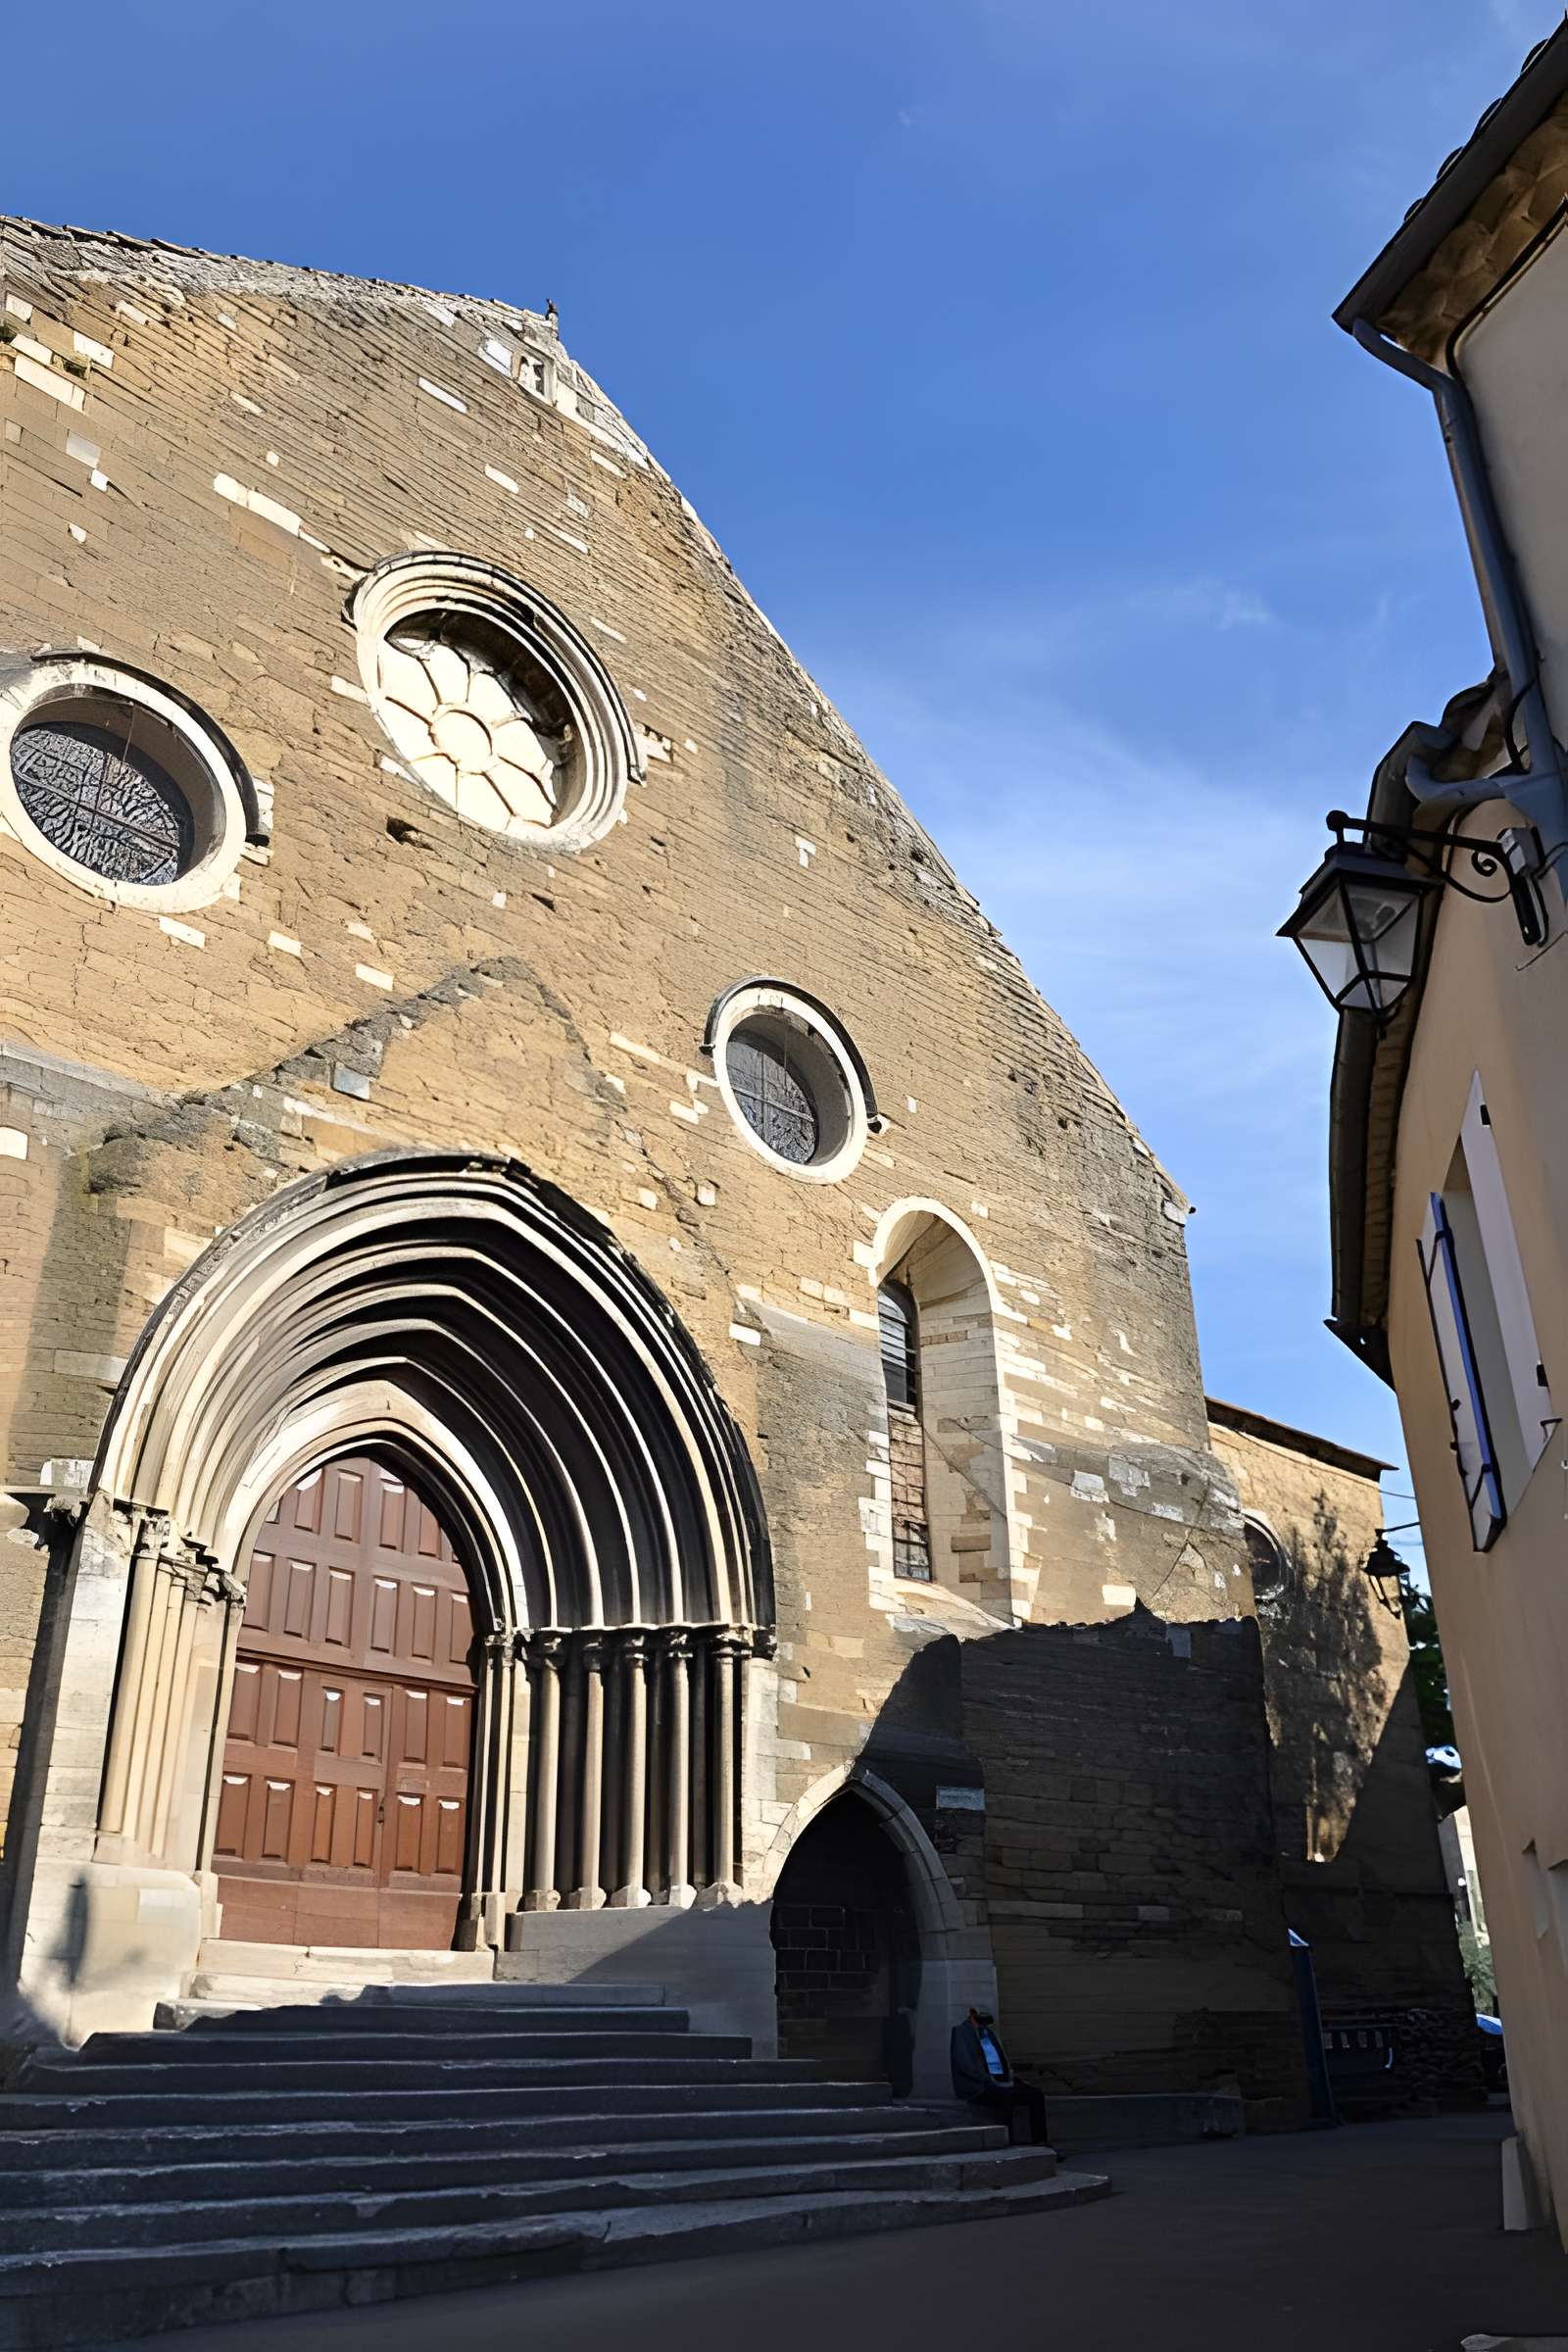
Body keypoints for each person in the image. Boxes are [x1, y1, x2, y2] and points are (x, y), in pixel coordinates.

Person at [950, 2006, 1050, 2144]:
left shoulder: (988, 2032)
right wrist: (989, 2079)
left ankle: (1040, 2141)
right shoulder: (962, 2032)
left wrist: (1009, 2078)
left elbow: (1000, 2060)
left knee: (1035, 2094)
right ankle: (1009, 2142)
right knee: (1006, 2097)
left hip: (1000, 2080)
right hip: (979, 2085)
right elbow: (966, 2065)